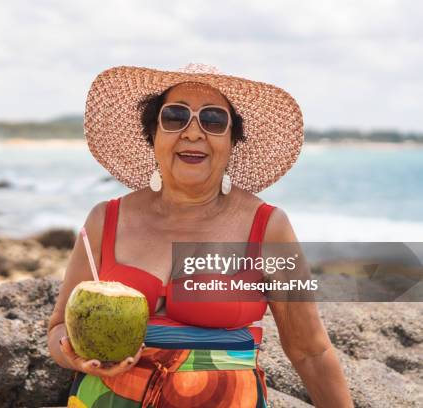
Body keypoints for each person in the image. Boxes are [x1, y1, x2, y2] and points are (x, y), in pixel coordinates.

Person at [47, 64, 353, 407]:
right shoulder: (105, 219)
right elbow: (60, 327)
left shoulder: (268, 227)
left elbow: (310, 350)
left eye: (213, 120)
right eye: (175, 117)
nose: (193, 133)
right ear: (153, 134)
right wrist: (69, 353)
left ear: (232, 140)